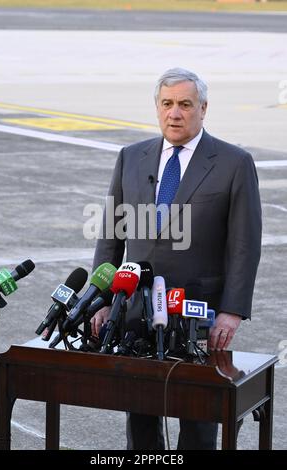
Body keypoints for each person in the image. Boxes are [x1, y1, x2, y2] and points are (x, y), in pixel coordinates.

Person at [90, 67, 262, 450]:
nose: (175, 113)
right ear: (157, 108)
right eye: (167, 104)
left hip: (200, 313)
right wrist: (101, 299)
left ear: (203, 108)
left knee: (198, 419)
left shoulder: (234, 163)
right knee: (141, 416)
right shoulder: (130, 157)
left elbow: (245, 245)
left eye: (185, 104)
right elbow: (111, 236)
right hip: (135, 308)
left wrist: (232, 311)